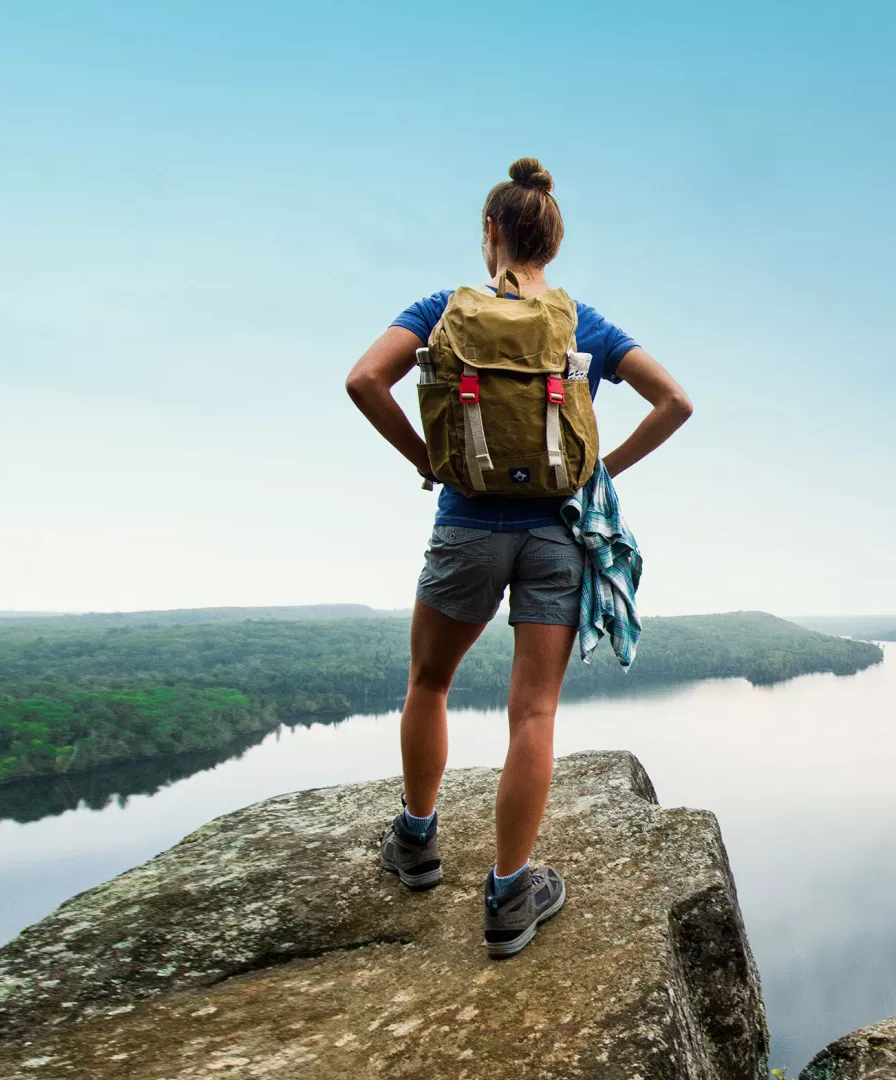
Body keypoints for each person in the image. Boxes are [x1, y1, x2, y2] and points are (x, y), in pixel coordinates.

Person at [344, 157, 692, 958]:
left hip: (466, 525)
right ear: (553, 243)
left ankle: (419, 845)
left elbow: (365, 380)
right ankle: (508, 897)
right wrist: (604, 469)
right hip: (556, 536)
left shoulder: (443, 310)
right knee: (532, 713)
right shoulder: (583, 325)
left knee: (429, 682)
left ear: (491, 233)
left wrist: (424, 458)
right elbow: (677, 400)